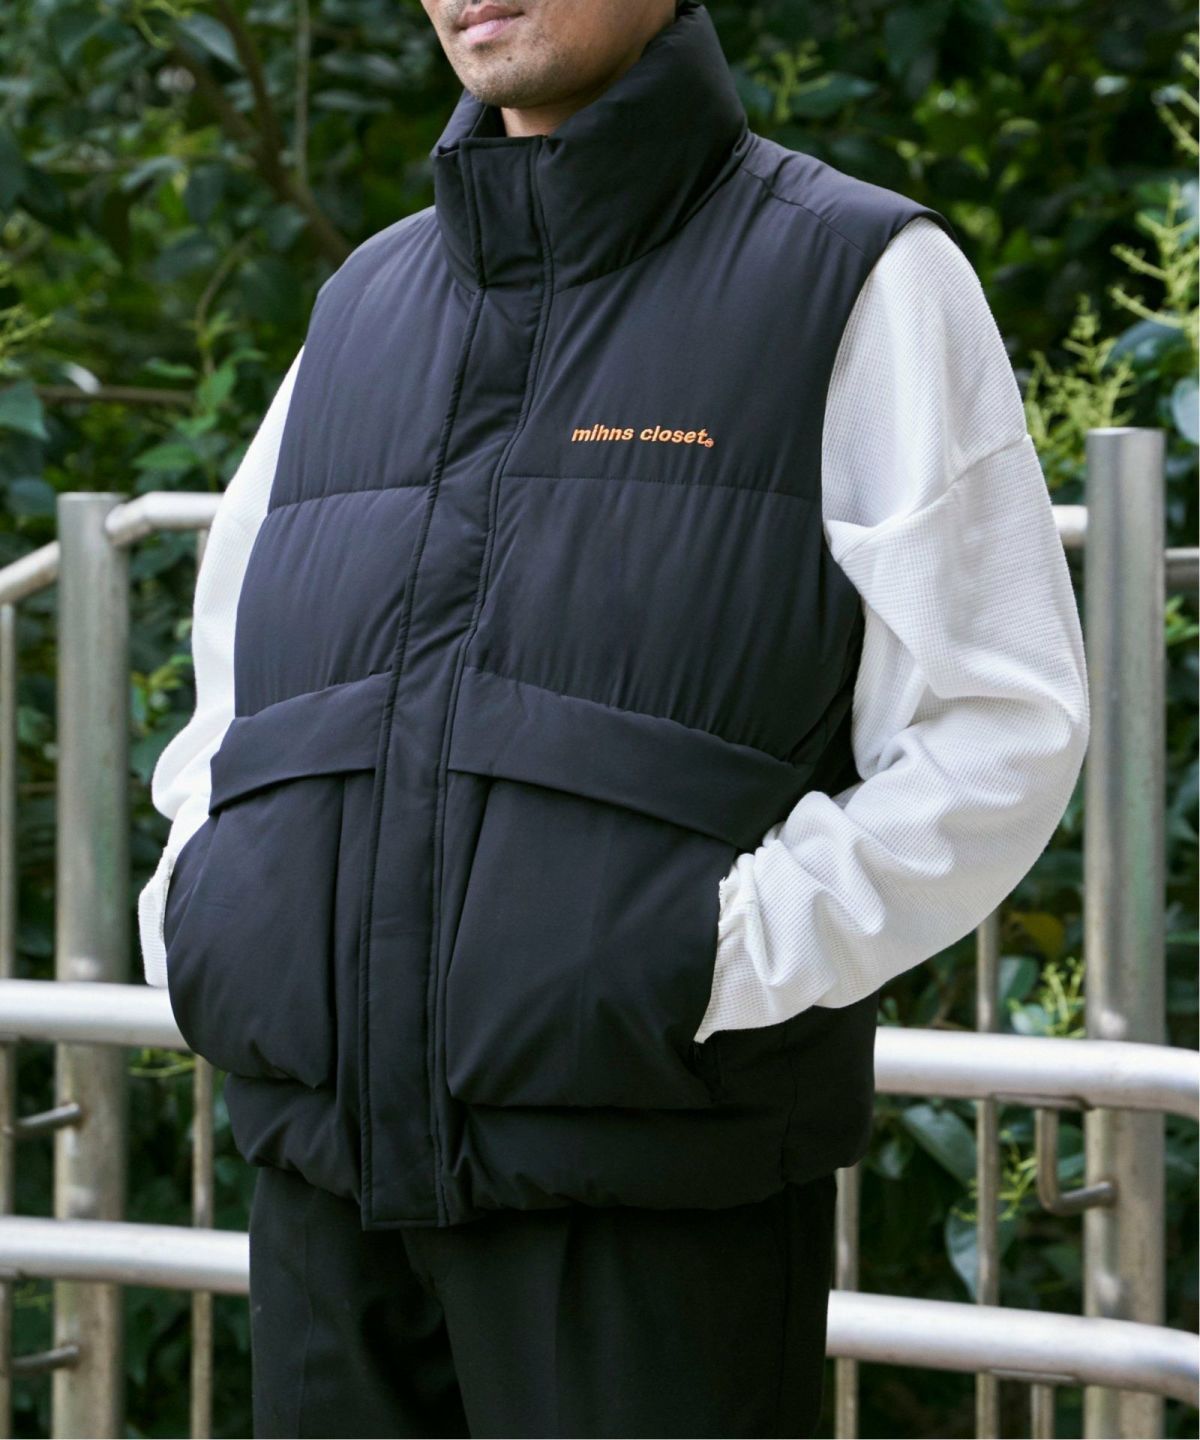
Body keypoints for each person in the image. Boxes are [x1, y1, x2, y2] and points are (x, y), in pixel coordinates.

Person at [137, 1, 1090, 1435]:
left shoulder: (849, 272)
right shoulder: (363, 303)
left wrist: (707, 956)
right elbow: (233, 692)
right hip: (325, 1193)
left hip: (653, 1195)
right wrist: (205, 915)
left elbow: (998, 719)